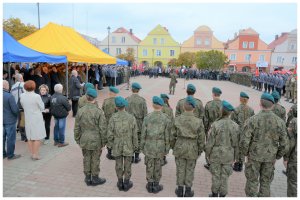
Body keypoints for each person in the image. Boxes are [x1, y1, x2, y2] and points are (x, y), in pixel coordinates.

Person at [240, 93, 289, 197]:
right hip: (270, 158)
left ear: (260, 104)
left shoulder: (252, 120)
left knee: (252, 182)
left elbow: (244, 141)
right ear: (272, 105)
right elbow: (285, 144)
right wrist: (277, 156)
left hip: (254, 156)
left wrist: (246, 154)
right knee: (265, 183)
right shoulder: (280, 122)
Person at [171, 96, 205, 197]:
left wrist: (174, 147)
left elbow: (172, 136)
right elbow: (201, 139)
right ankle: (188, 190)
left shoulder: (177, 119)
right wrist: (199, 150)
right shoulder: (198, 121)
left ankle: (180, 189)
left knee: (180, 168)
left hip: (180, 146)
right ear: (194, 108)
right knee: (190, 169)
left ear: (184, 107)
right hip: (192, 147)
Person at [74, 88, 107, 186]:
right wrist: (104, 142)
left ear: (86, 97)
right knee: (95, 159)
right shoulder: (99, 112)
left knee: (86, 158)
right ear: (95, 98)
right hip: (96, 139)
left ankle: (88, 178)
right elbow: (103, 128)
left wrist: (78, 140)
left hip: (84, 138)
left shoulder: (80, 111)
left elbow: (76, 128)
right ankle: (95, 178)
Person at [206, 100, 239, 197]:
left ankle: (214, 194)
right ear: (229, 113)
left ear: (221, 111)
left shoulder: (215, 124)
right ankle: (223, 195)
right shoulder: (235, 126)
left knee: (215, 175)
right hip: (228, 155)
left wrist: (208, 154)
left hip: (215, 154)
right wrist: (235, 157)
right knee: (225, 177)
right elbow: (236, 144)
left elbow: (210, 142)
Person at [140, 96, 171, 193]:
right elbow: (167, 135)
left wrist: (142, 146)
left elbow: (143, 133)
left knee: (149, 165)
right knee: (158, 165)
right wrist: (167, 148)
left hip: (149, 145)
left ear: (153, 105)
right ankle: (156, 185)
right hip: (160, 146)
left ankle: (149, 185)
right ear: (161, 106)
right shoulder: (166, 118)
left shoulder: (147, 117)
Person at [107, 96, 138, 192]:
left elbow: (110, 134)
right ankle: (127, 182)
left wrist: (110, 146)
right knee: (128, 164)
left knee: (118, 164)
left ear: (116, 107)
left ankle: (120, 182)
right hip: (129, 144)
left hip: (117, 144)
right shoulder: (131, 118)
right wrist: (135, 146)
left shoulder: (113, 118)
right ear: (125, 106)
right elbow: (134, 134)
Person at [20, 80, 46, 160]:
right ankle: (35, 154)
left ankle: (32, 154)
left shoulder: (22, 95)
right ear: (34, 87)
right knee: (37, 137)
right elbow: (42, 107)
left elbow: (23, 106)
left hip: (28, 117)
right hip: (36, 118)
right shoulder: (36, 96)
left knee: (30, 137)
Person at [230, 92, 255, 172]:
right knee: (244, 147)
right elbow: (252, 122)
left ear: (240, 99)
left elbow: (232, 122)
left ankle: (237, 164)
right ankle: (241, 164)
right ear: (247, 100)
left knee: (237, 147)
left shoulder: (236, 109)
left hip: (238, 132)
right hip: (247, 132)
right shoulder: (251, 110)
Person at [125, 82, 148, 163]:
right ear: (138, 90)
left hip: (129, 122)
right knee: (138, 139)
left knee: (130, 138)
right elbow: (145, 115)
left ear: (132, 89)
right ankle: (137, 157)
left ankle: (130, 156)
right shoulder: (142, 101)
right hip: (139, 122)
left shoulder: (127, 99)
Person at [203, 87, 223, 170]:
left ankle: (209, 163)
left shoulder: (209, 104)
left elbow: (205, 119)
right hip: (221, 128)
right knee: (220, 145)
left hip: (211, 128)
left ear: (213, 94)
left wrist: (205, 130)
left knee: (210, 145)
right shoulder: (223, 104)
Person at [3, 80, 21, 160]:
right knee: (10, 138)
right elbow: (15, 109)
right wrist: (17, 114)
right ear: (6, 86)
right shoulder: (9, 96)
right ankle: (10, 155)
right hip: (9, 120)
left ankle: (3, 154)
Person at [102, 86, 119, 160]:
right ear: (115, 94)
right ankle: (114, 152)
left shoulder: (105, 101)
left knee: (108, 137)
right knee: (115, 137)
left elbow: (103, 108)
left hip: (106, 122)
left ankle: (109, 153)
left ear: (110, 93)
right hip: (115, 123)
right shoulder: (117, 102)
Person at [283, 104, 297, 197]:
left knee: (293, 183)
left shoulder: (294, 122)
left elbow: (291, 142)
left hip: (295, 159)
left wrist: (286, 158)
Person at [10, 73, 27, 142]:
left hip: (15, 106)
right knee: (24, 121)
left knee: (20, 121)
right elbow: (26, 94)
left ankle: (22, 136)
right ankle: (26, 136)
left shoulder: (12, 87)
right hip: (23, 105)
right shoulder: (23, 84)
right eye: (22, 77)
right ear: (20, 78)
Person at [160, 93, 174, 165]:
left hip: (159, 130)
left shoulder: (159, 108)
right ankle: (163, 159)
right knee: (165, 144)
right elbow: (172, 121)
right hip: (167, 130)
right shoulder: (170, 109)